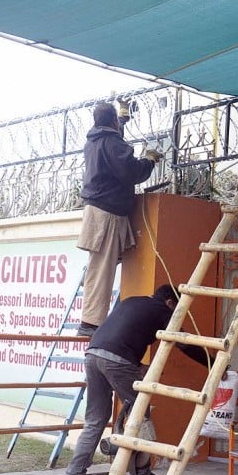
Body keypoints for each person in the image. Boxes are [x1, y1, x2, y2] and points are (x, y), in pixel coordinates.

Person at [65, 285, 212, 475]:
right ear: (170, 302)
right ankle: (141, 472)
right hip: (117, 360)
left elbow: (121, 335)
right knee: (140, 415)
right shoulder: (163, 310)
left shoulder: (131, 300)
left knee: (95, 418)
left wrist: (137, 364)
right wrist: (213, 362)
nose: (176, 314)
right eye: (176, 309)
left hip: (92, 355)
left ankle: (74, 472)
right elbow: (183, 343)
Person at [76, 100, 162, 337]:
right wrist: (150, 161)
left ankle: (89, 281)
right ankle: (90, 324)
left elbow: (113, 144)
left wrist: (123, 119)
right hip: (108, 212)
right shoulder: (111, 142)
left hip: (100, 210)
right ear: (112, 121)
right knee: (103, 267)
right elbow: (130, 171)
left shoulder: (94, 140)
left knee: (107, 259)